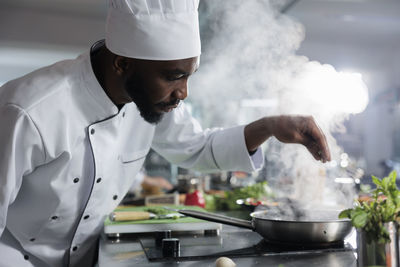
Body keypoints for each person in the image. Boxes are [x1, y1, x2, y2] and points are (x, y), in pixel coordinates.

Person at [0, 0, 330, 266]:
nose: (183, 92)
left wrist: (270, 126)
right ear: (122, 63)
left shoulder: (145, 97)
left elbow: (199, 148)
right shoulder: (28, 112)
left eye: (189, 76)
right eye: (173, 76)